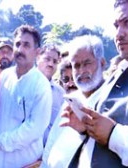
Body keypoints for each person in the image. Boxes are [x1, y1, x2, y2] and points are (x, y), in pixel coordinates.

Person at [63, 1, 128, 167]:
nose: (118, 34)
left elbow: (112, 133)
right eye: (116, 25)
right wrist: (86, 128)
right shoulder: (118, 72)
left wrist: (113, 134)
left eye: (127, 23)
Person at [0, 25, 52, 168]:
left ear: (37, 52)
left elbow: (34, 129)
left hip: (24, 163)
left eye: (26, 45)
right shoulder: (5, 76)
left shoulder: (41, 85)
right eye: (18, 44)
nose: (20, 49)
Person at [40, 35, 106, 168]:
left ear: (102, 64)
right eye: (76, 65)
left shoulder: (110, 100)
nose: (81, 71)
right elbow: (51, 143)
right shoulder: (70, 100)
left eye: (87, 63)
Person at [36, 44, 65, 146]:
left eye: (55, 61)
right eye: (47, 59)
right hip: (23, 153)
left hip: (48, 154)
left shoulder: (61, 94)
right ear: (37, 57)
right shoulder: (25, 84)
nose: (50, 64)